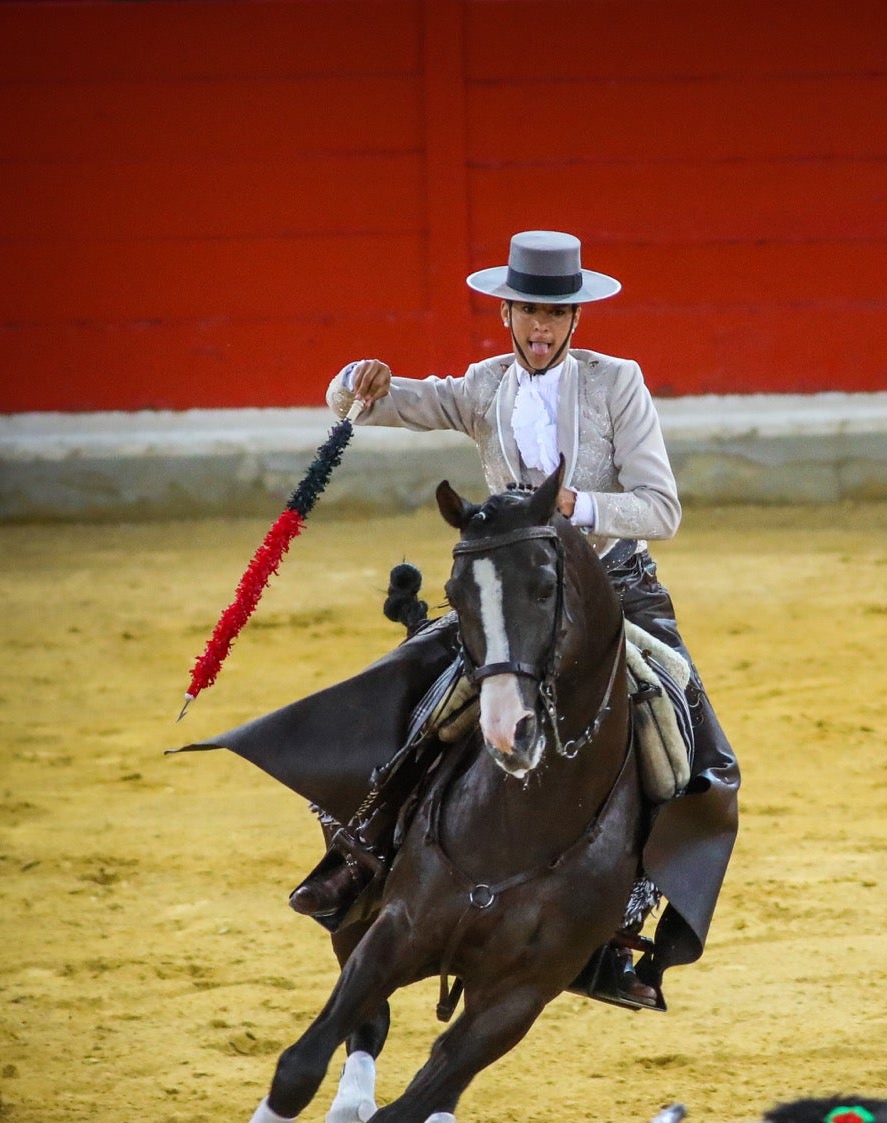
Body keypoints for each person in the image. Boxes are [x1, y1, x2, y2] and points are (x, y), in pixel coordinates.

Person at [268, 231, 739, 1009]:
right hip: (512, 595)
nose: (540, 329)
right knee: (411, 702)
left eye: (555, 314)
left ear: (576, 318)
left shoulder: (618, 384)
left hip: (610, 588)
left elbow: (662, 509)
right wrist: (356, 377)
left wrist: (573, 505)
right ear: (507, 309)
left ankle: (623, 926)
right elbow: (377, 401)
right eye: (527, 311)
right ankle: (358, 860)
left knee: (692, 748)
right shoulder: (483, 385)